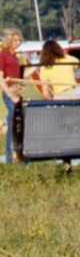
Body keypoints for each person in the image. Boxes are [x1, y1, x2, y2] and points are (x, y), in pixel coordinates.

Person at [39, 39, 80, 174]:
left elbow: (45, 94)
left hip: (59, 97)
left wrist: (53, 100)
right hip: (74, 94)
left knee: (65, 131)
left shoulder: (45, 68)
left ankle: (67, 164)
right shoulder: (68, 59)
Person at [0, 27, 24, 163]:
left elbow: (19, 77)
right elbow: (0, 78)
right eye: (15, 40)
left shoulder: (15, 57)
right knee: (14, 123)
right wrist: (11, 96)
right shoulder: (2, 55)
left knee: (15, 123)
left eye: (19, 40)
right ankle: (10, 156)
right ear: (8, 41)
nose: (18, 42)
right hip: (10, 93)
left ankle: (17, 156)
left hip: (18, 91)